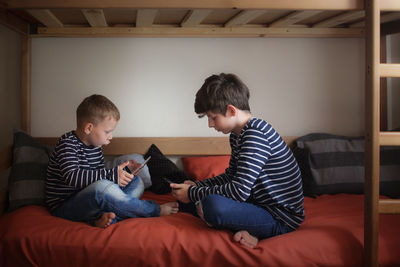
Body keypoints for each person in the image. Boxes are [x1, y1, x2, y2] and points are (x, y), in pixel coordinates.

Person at [171, 73, 304, 248]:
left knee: (212, 204)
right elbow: (231, 177)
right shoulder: (237, 135)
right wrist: (197, 186)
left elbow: (239, 191)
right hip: (256, 203)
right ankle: (224, 219)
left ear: (231, 110)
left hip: (278, 217)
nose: (210, 124)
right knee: (188, 192)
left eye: (213, 117)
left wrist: (192, 193)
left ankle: (262, 231)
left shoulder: (255, 134)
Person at [46, 94, 178, 228]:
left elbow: (96, 176)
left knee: (136, 181)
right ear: (89, 128)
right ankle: (153, 210)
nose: (111, 136)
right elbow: (72, 177)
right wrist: (112, 175)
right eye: (107, 131)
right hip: (66, 206)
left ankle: (102, 217)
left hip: (92, 200)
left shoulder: (96, 145)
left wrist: (125, 173)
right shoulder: (68, 143)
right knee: (102, 188)